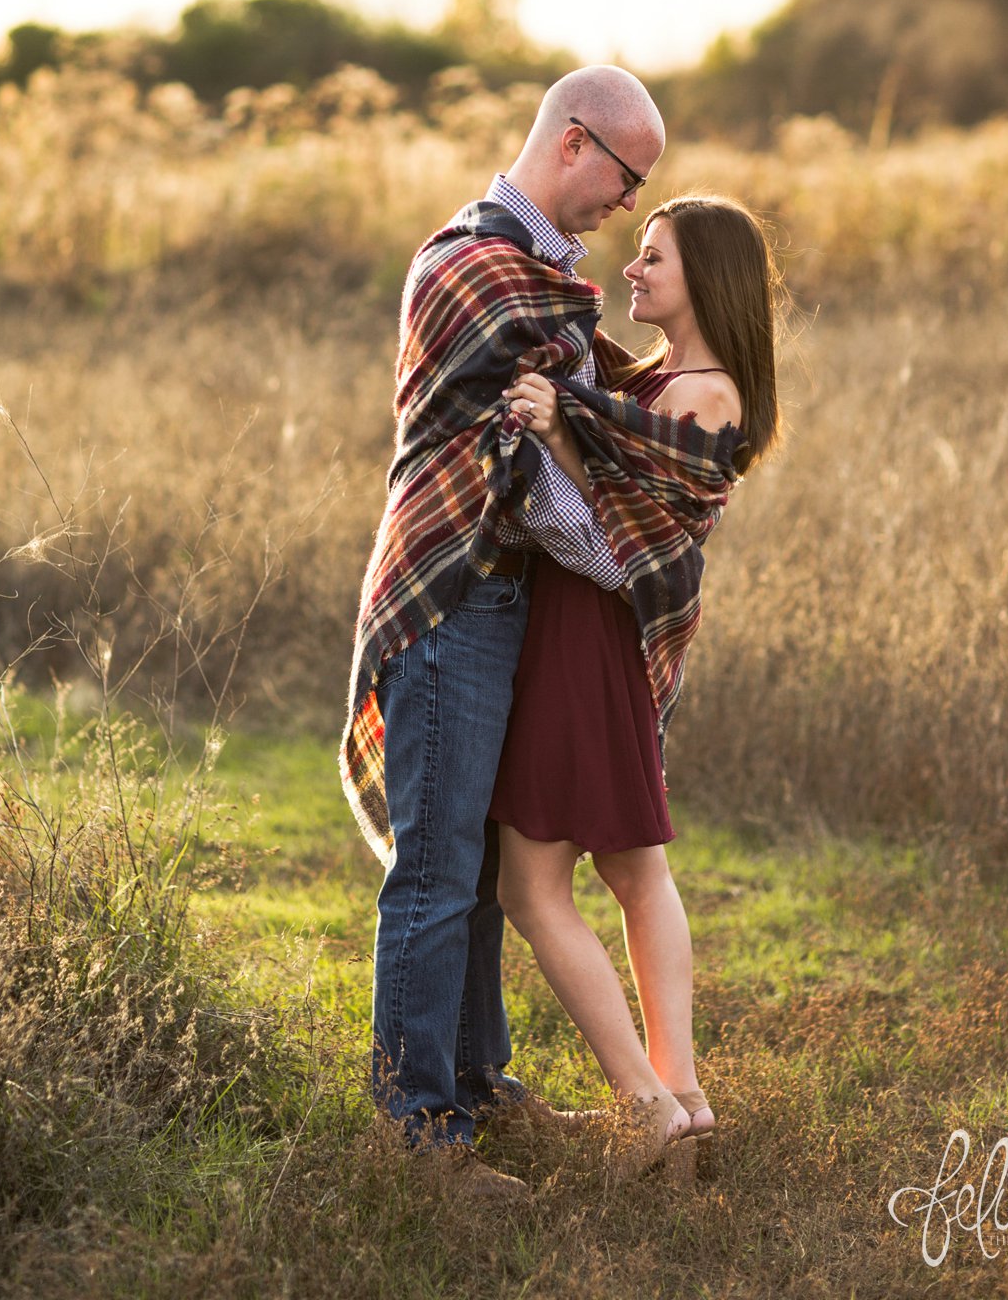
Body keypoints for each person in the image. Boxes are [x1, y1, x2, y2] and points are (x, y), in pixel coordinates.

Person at [340, 66, 666, 1201]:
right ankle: (419, 1136)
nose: (629, 206)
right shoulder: (469, 262)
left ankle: (476, 1080)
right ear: (576, 143)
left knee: (473, 867)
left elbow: (594, 408)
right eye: (630, 178)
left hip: (507, 598)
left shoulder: (546, 284)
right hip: (448, 594)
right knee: (434, 870)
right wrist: (622, 557)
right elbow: (559, 443)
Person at [489, 195, 784, 1173]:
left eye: (653, 256)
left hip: (591, 641)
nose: (633, 268)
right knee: (629, 869)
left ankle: (646, 1100)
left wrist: (559, 418)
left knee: (531, 886)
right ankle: (686, 1099)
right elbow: (606, 479)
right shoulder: (663, 380)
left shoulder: (705, 397)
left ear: (706, 275)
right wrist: (565, 414)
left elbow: (623, 543)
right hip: (596, 641)